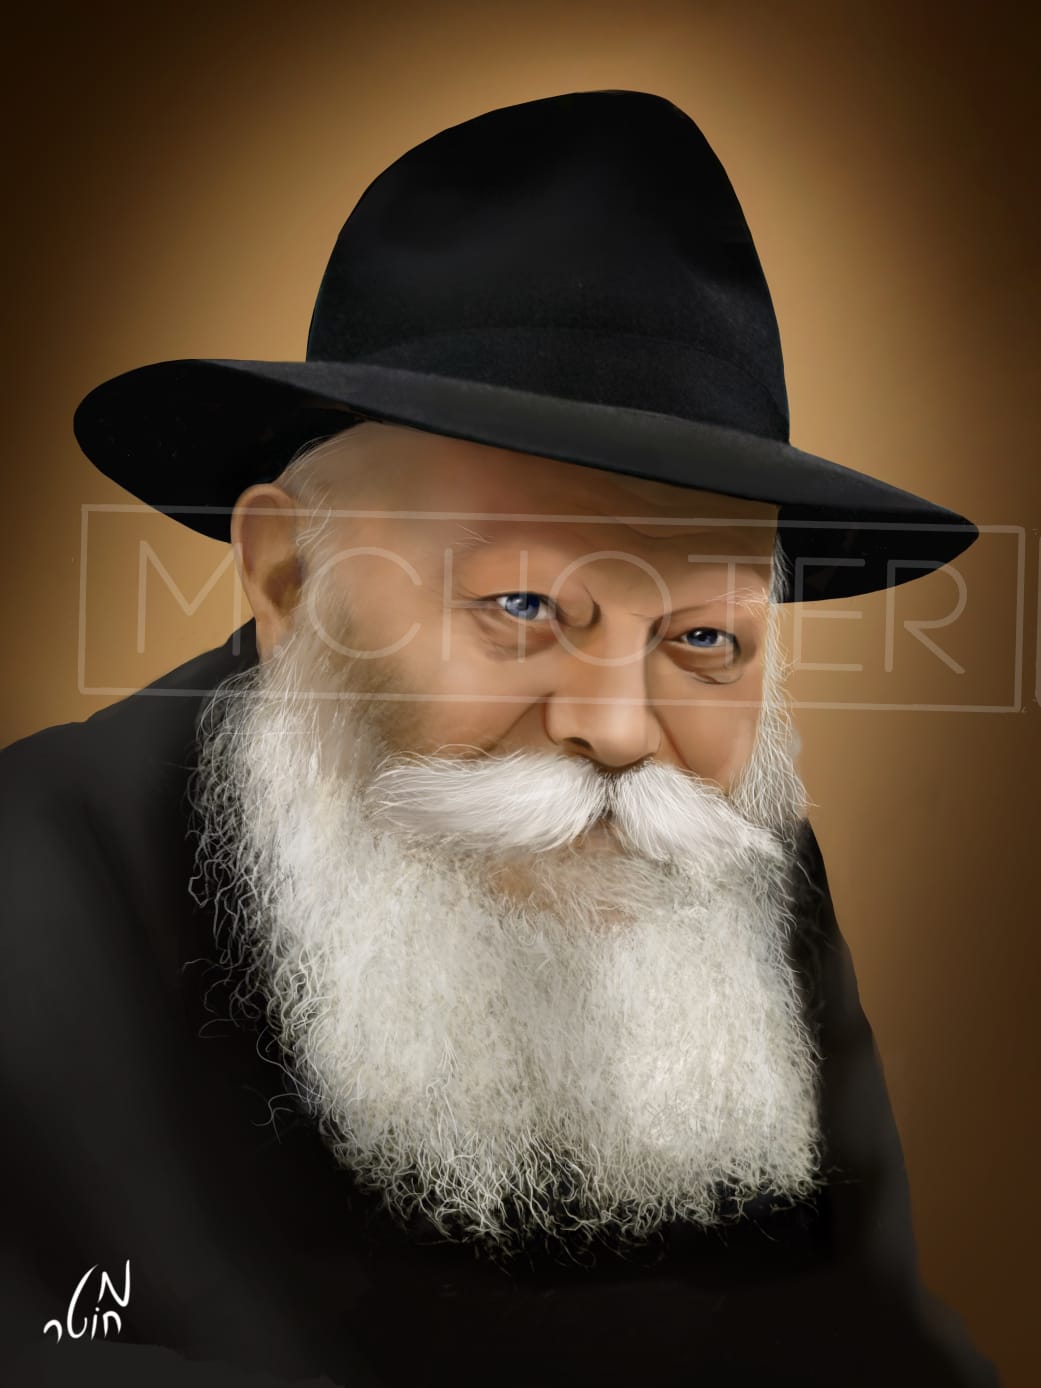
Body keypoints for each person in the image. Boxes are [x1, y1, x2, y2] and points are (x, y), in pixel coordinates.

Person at [1, 90, 1000, 1387]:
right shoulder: (37, 883)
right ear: (291, 579)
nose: (619, 732)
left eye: (704, 638)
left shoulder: (734, 878)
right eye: (523, 606)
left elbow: (871, 1346)